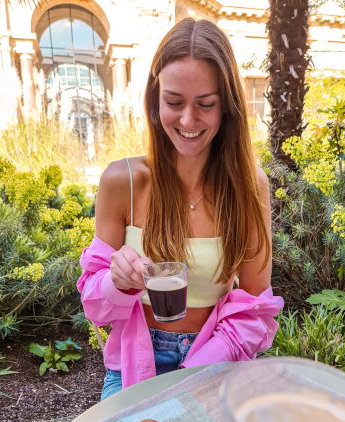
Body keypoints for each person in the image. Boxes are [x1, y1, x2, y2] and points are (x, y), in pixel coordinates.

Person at [77, 18, 284, 401]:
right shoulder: (122, 181)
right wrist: (117, 281)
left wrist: (193, 374)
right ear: (156, 101)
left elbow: (256, 307)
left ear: (227, 109)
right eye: (174, 102)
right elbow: (95, 305)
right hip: (135, 365)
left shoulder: (248, 186)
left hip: (218, 358)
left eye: (205, 105)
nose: (187, 121)